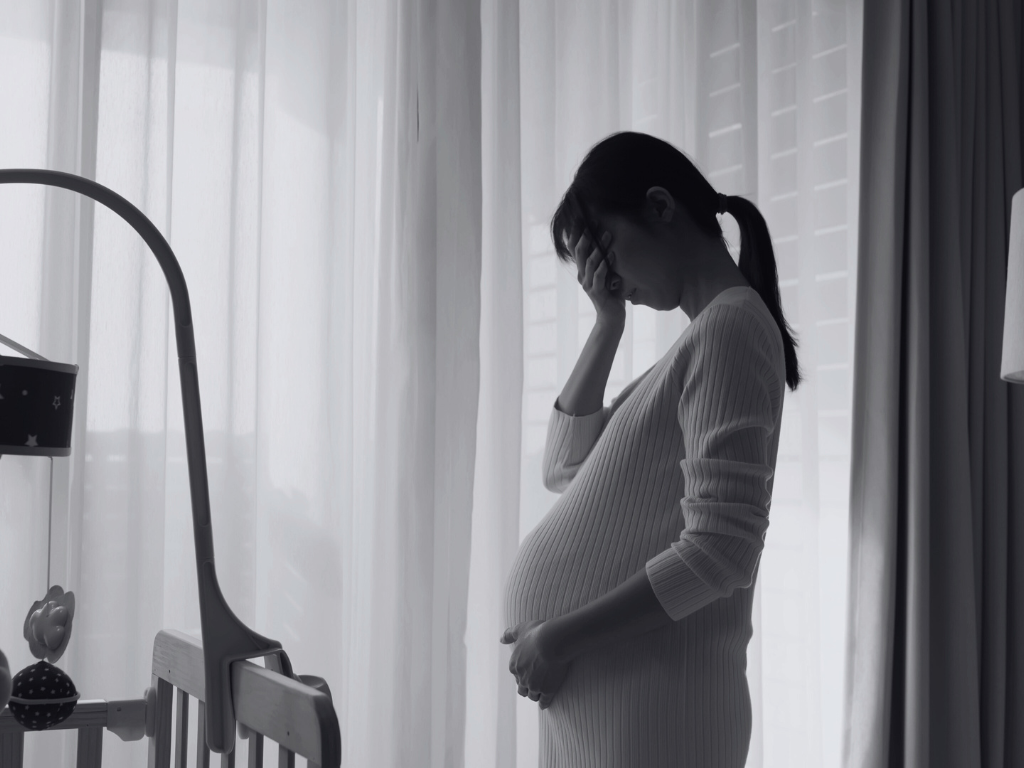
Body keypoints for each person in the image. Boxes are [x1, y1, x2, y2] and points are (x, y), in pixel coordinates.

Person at [501, 131, 802, 767]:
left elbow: (721, 550)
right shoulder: (697, 345)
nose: (606, 277)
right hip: (624, 709)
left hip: (656, 715)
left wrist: (557, 638)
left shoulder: (731, 328)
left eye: (604, 250)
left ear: (660, 207)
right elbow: (564, 467)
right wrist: (607, 322)